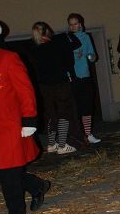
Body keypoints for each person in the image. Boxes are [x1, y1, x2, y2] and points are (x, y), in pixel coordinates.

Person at [0, 18, 51, 214]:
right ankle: (37, 185)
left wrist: (29, 120)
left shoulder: (8, 59)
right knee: (2, 170)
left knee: (7, 172)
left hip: (9, 127)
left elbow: (26, 92)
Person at [23, 22, 79, 154]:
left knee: (50, 114)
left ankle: (51, 144)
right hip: (60, 83)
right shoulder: (56, 44)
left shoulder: (33, 47)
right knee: (63, 113)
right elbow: (71, 54)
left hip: (44, 85)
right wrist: (69, 35)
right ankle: (62, 145)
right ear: (47, 31)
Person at [67, 13, 100, 144]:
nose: (73, 26)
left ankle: (88, 133)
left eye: (75, 23)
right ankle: (78, 134)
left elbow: (92, 54)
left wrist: (92, 57)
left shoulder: (85, 37)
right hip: (72, 78)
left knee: (87, 105)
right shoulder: (67, 39)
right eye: (71, 24)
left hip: (85, 76)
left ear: (80, 24)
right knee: (75, 107)